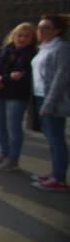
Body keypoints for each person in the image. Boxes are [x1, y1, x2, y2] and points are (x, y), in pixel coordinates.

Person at [0, 22, 37, 171]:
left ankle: (13, 159)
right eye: (19, 35)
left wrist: (2, 80)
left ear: (32, 39)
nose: (22, 39)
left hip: (16, 96)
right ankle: (3, 153)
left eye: (26, 36)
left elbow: (23, 76)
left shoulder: (32, 55)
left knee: (13, 129)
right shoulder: (3, 51)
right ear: (13, 36)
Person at [30, 14, 70, 191]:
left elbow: (61, 78)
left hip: (51, 99)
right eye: (39, 27)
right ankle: (55, 172)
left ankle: (59, 179)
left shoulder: (61, 48)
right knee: (51, 138)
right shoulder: (44, 48)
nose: (40, 30)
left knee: (56, 139)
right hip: (39, 96)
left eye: (45, 27)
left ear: (57, 30)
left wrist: (49, 102)